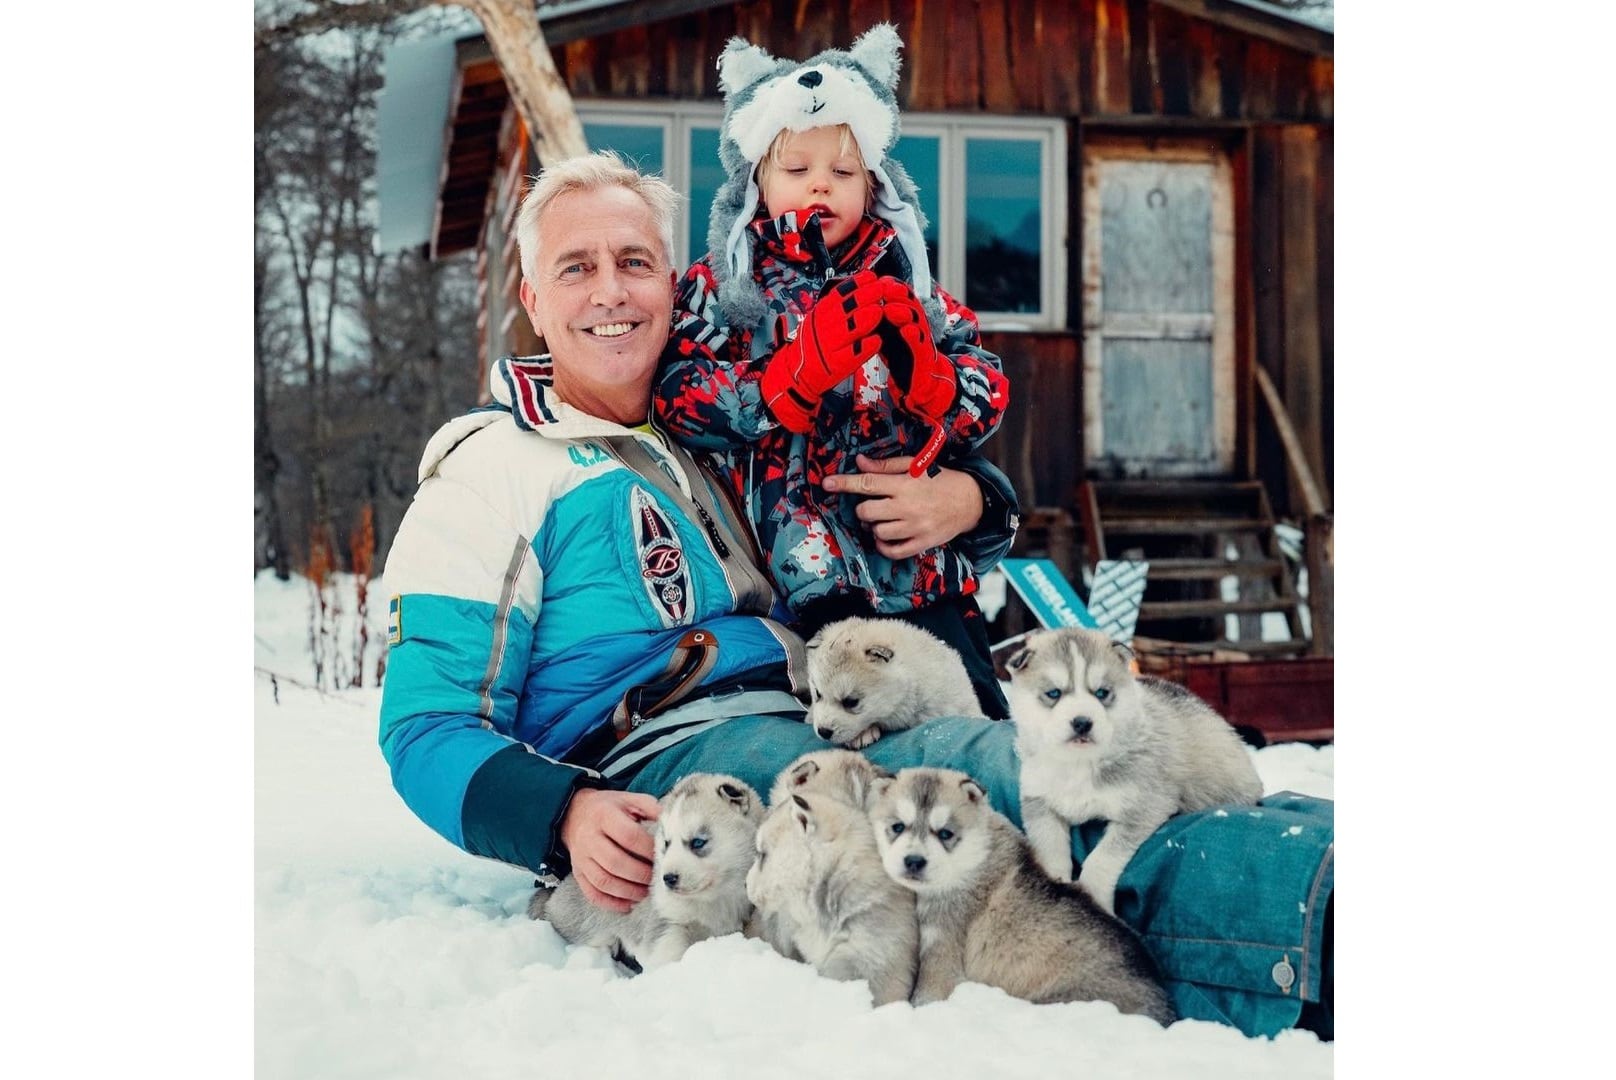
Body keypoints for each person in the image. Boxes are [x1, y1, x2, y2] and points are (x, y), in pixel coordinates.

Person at [378, 151, 1333, 1041]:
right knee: (991, 815)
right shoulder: (493, 468)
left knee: (1050, 764)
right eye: (576, 267)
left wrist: (970, 497)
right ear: (532, 297)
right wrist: (563, 814)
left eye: (635, 260)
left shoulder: (713, 428)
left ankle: (1321, 849)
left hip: (827, 710)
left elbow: (875, 488)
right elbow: (424, 726)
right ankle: (1320, 931)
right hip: (675, 754)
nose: (611, 290)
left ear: (674, 285)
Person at [653, 27, 1012, 718]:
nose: (821, 183)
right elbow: (675, 394)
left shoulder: (916, 293)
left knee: (974, 736)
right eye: (797, 170)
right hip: (793, 580)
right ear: (756, 180)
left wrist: (937, 383)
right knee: (847, 748)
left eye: (843, 173)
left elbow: (987, 386)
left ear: (874, 184)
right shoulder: (721, 291)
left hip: (920, 575)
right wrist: (775, 386)